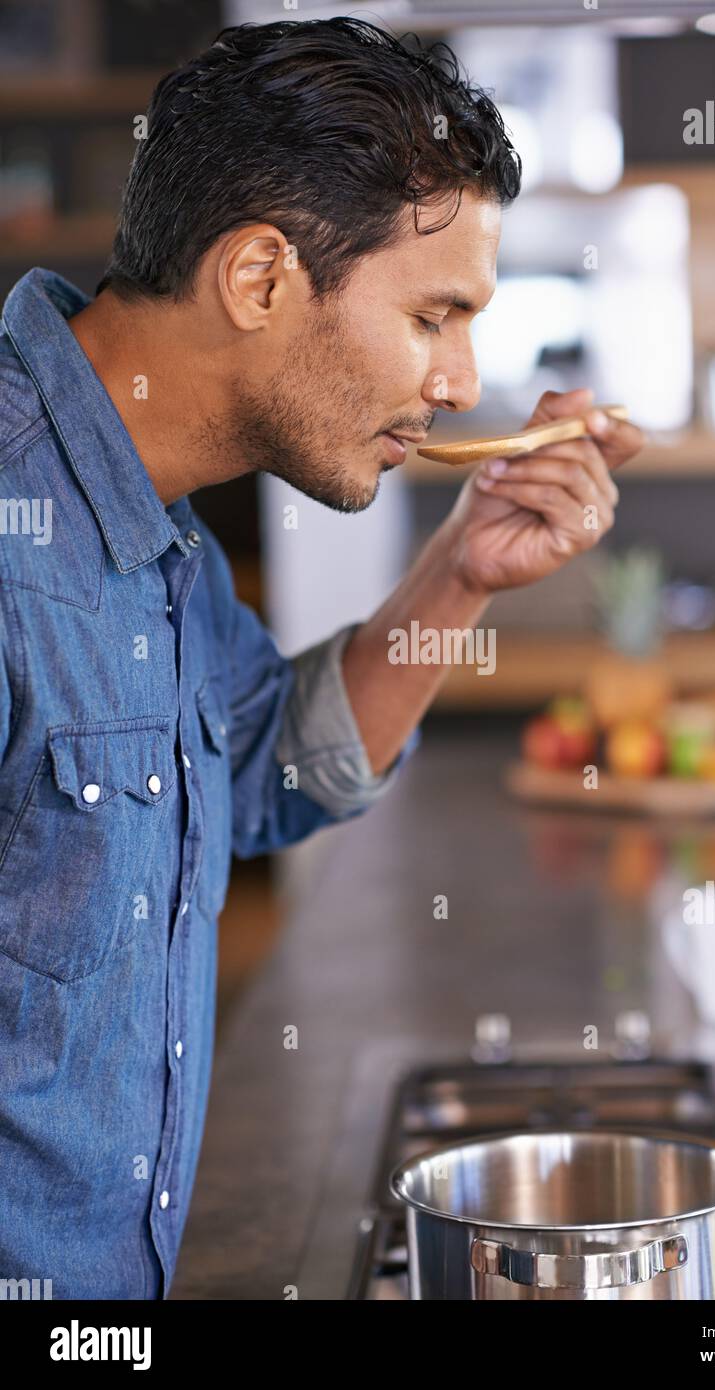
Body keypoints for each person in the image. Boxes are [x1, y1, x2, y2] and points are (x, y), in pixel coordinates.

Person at [0, 17, 642, 1298]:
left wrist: (463, 565)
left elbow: (261, 773)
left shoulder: (148, 519)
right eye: (433, 314)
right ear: (258, 278)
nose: (462, 381)